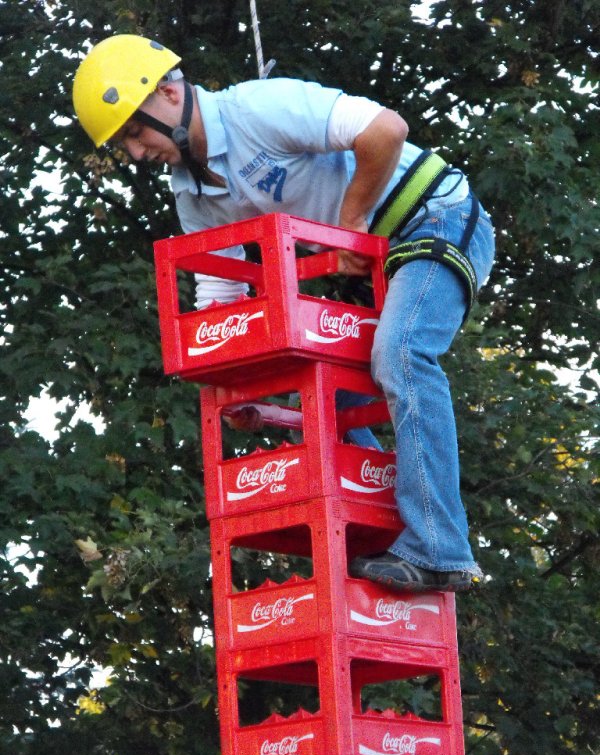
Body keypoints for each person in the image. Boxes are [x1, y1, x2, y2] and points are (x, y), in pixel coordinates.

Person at [73, 34, 495, 593]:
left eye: (134, 131)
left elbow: (385, 129)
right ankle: (383, 526)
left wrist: (351, 220)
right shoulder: (195, 197)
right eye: (124, 143)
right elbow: (219, 298)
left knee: (402, 353)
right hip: (376, 260)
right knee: (328, 382)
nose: (135, 153)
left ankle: (440, 548)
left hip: (435, 217)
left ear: (169, 94)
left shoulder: (258, 108)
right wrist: (241, 388)